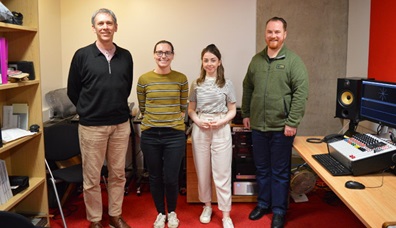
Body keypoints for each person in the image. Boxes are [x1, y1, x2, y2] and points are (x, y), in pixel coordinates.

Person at [67, 8, 133, 228]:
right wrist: (88, 110)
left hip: (120, 125)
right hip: (91, 127)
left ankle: (115, 215)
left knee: (118, 175)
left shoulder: (126, 56)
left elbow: (125, 87)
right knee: (92, 178)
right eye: (100, 23)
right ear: (94, 27)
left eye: (109, 23)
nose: (105, 27)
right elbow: (73, 90)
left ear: (115, 26)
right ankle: (95, 220)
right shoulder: (82, 55)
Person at [241, 17, 309, 228]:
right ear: (265, 33)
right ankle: (263, 204)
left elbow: (301, 93)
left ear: (284, 34)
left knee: (279, 171)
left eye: (277, 32)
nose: (273, 35)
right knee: (261, 168)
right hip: (258, 127)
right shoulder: (257, 60)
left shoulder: (293, 61)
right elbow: (248, 87)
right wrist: (246, 113)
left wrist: (292, 122)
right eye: (270, 31)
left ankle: (279, 210)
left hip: (282, 129)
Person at [136, 40, 189, 228]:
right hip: (151, 135)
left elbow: (183, 107)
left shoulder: (181, 78)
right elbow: (142, 106)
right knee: (155, 176)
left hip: (174, 135)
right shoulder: (144, 80)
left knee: (171, 177)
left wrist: (170, 120)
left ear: (173, 55)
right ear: (154, 54)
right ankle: (160, 213)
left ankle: (172, 212)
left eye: (167, 53)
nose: (163, 56)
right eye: (159, 52)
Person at [188, 44, 236, 228]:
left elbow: (232, 110)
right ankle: (207, 206)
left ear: (219, 62)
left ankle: (226, 215)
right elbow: (191, 110)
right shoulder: (196, 84)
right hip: (201, 128)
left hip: (221, 128)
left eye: (213, 60)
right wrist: (197, 121)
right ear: (202, 62)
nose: (209, 63)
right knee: (202, 171)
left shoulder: (227, 84)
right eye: (206, 60)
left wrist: (222, 121)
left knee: (222, 173)